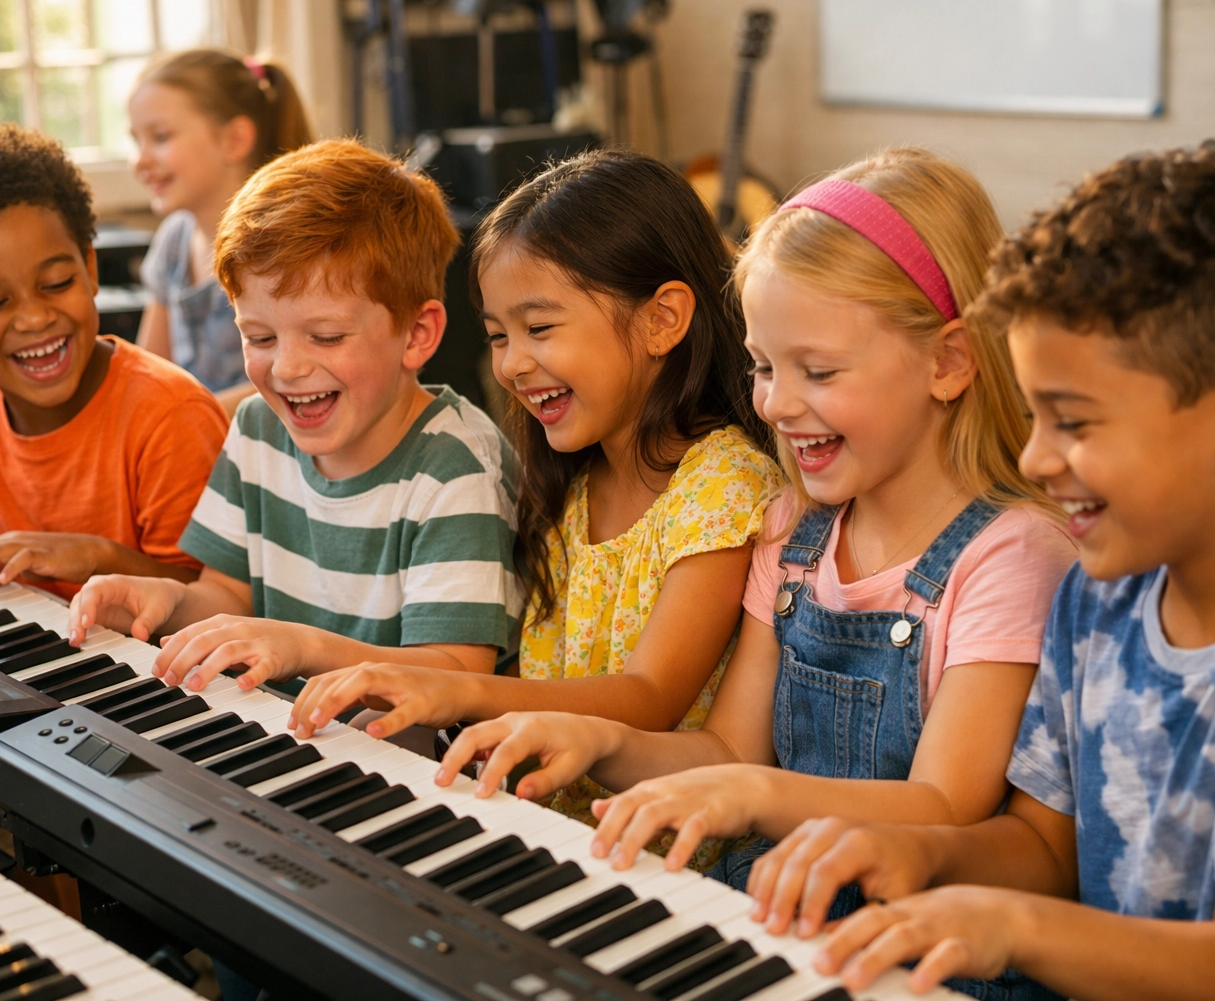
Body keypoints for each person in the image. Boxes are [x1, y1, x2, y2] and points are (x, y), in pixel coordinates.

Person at [434, 150, 1079, 999]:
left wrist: (746, 794)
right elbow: (728, 746)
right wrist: (602, 742)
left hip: (922, 962)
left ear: (948, 362)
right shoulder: (794, 531)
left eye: (817, 371)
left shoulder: (1010, 554)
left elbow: (943, 807)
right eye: (765, 367)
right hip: (774, 927)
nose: (773, 404)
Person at [734, 142, 1215, 1001]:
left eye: (1073, 422)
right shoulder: (1102, 599)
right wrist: (920, 852)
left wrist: (1008, 925)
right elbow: (1044, 847)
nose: (1038, 459)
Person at [284, 149, 786, 836]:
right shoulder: (571, 480)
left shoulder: (724, 484)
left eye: (539, 328)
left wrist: (455, 690)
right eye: (497, 335)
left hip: (654, 853)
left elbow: (649, 700)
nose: (513, 363)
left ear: (662, 319)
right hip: (543, 828)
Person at [67, 140, 521, 695]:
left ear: (417, 334)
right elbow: (228, 597)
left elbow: (456, 674)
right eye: (258, 336)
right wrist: (167, 602)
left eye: (325, 336)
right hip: (299, 739)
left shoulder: (455, 467)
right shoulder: (259, 428)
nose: (285, 367)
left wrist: (302, 647)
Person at [0, 120, 227, 602]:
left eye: (56, 283)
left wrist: (94, 558)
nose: (35, 318)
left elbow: (212, 604)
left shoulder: (169, 414)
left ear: (89, 269)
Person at [130, 48, 312, 416]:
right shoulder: (174, 240)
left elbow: (301, 381)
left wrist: (188, 417)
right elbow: (146, 371)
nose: (141, 161)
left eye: (161, 137)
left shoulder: (284, 243)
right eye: (136, 141)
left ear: (234, 140)